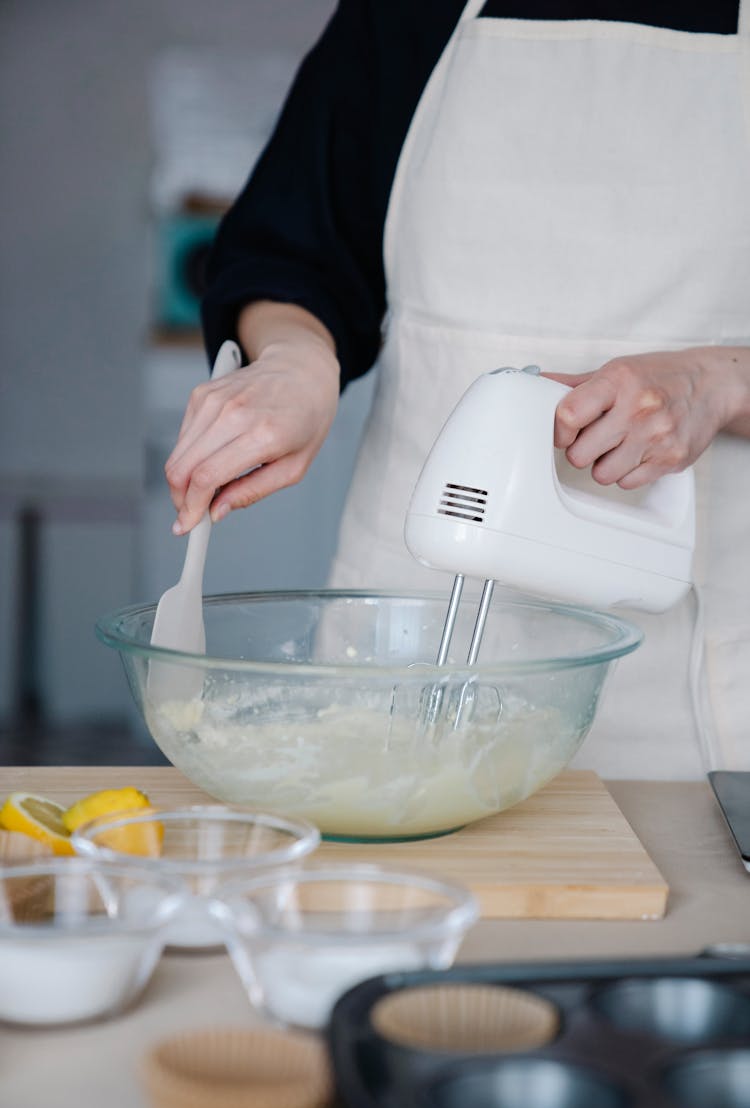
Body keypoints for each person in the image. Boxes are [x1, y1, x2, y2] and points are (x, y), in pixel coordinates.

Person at [165, 0, 750, 781]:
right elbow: (294, 251)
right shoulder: (408, 14)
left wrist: (718, 382)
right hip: (407, 645)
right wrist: (297, 360)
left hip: (701, 707)